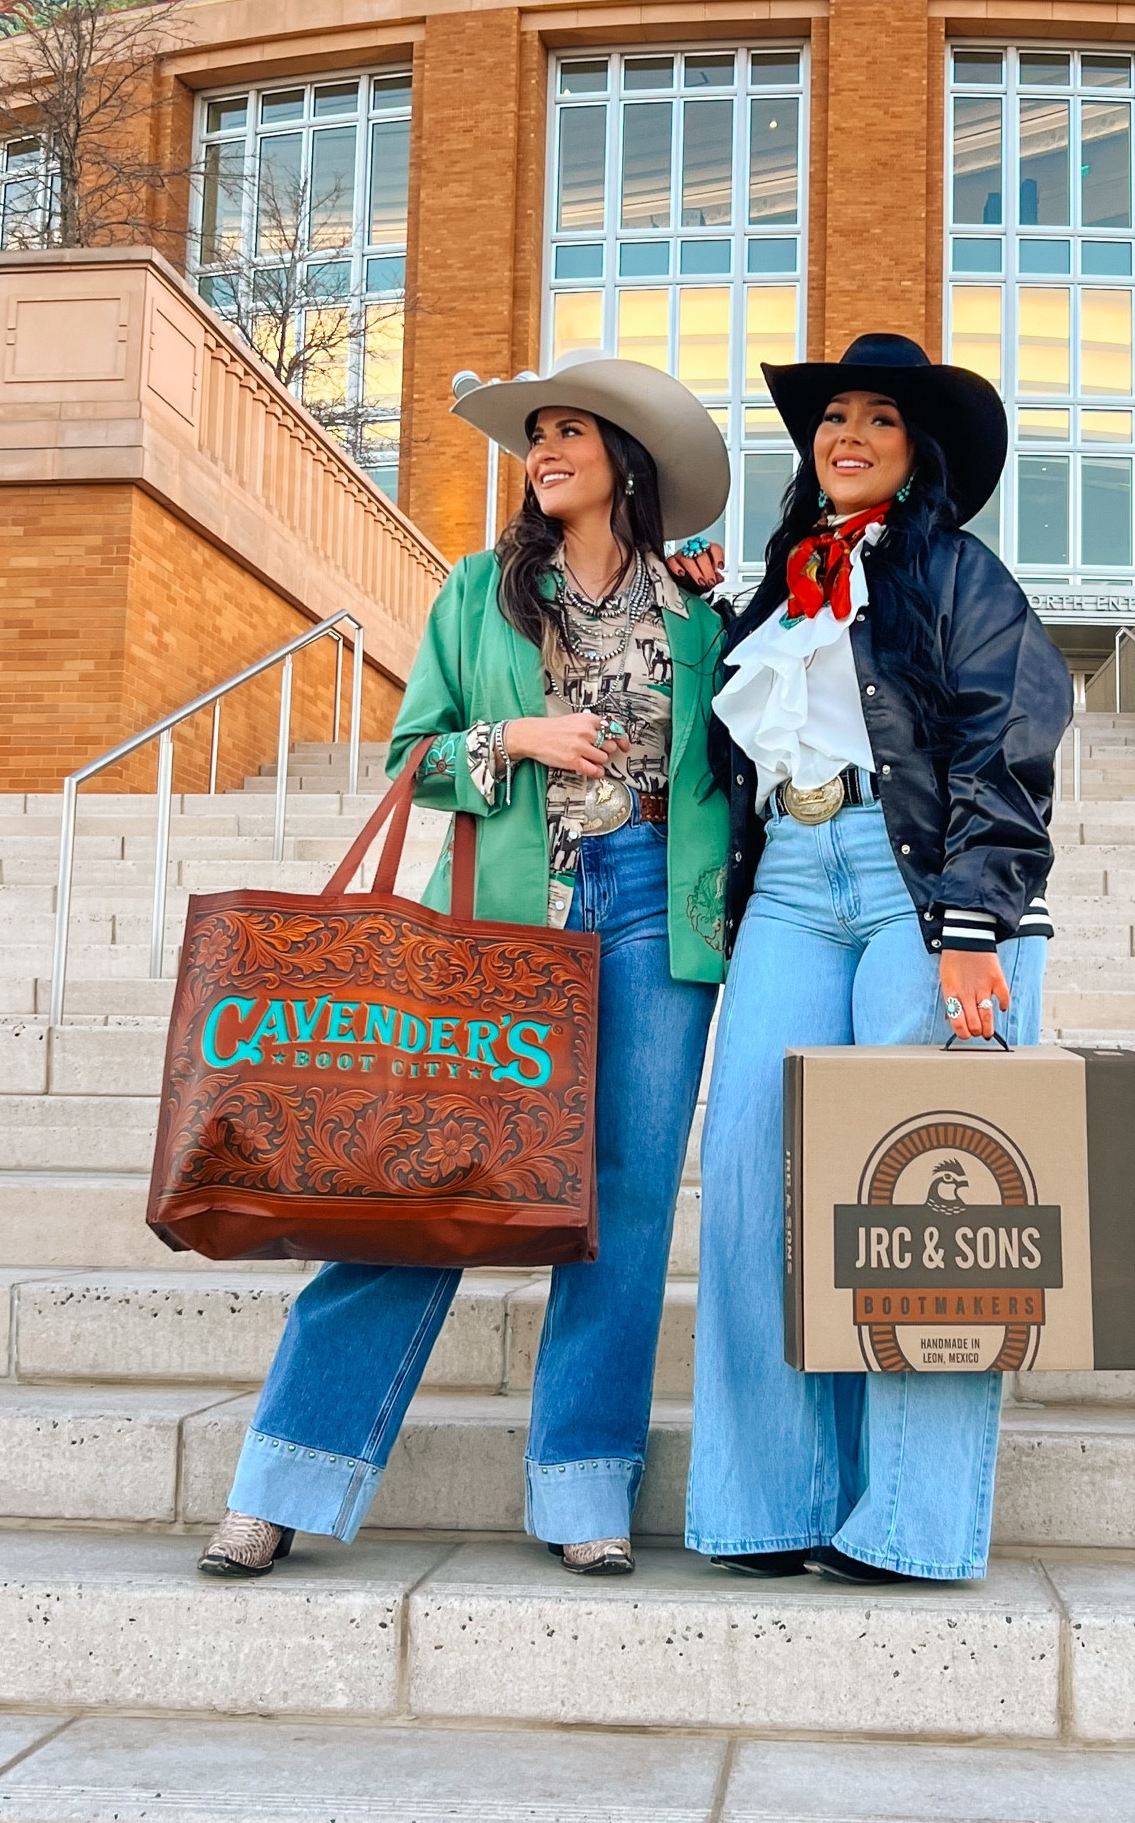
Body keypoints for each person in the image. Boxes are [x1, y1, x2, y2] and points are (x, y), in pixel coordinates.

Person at [198, 354, 732, 1580]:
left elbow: (732, 763)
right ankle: (285, 1472)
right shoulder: (481, 591)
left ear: (624, 463)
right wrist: (517, 736)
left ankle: (584, 1485)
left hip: (656, 905)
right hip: (502, 916)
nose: (541, 452)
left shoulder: (697, 613)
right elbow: (413, 754)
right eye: (534, 435)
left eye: (566, 433)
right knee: (422, 1179)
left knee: (625, 1203)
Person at [681, 332, 1073, 1585]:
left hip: (918, 889)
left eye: (878, 421)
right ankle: (768, 1502)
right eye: (831, 416)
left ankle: (909, 1518)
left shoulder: (958, 573)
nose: (845, 435)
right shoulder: (780, 588)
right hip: (791, 887)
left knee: (918, 1198)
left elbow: (1006, 743)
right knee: (748, 1170)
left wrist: (972, 927)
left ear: (917, 455)